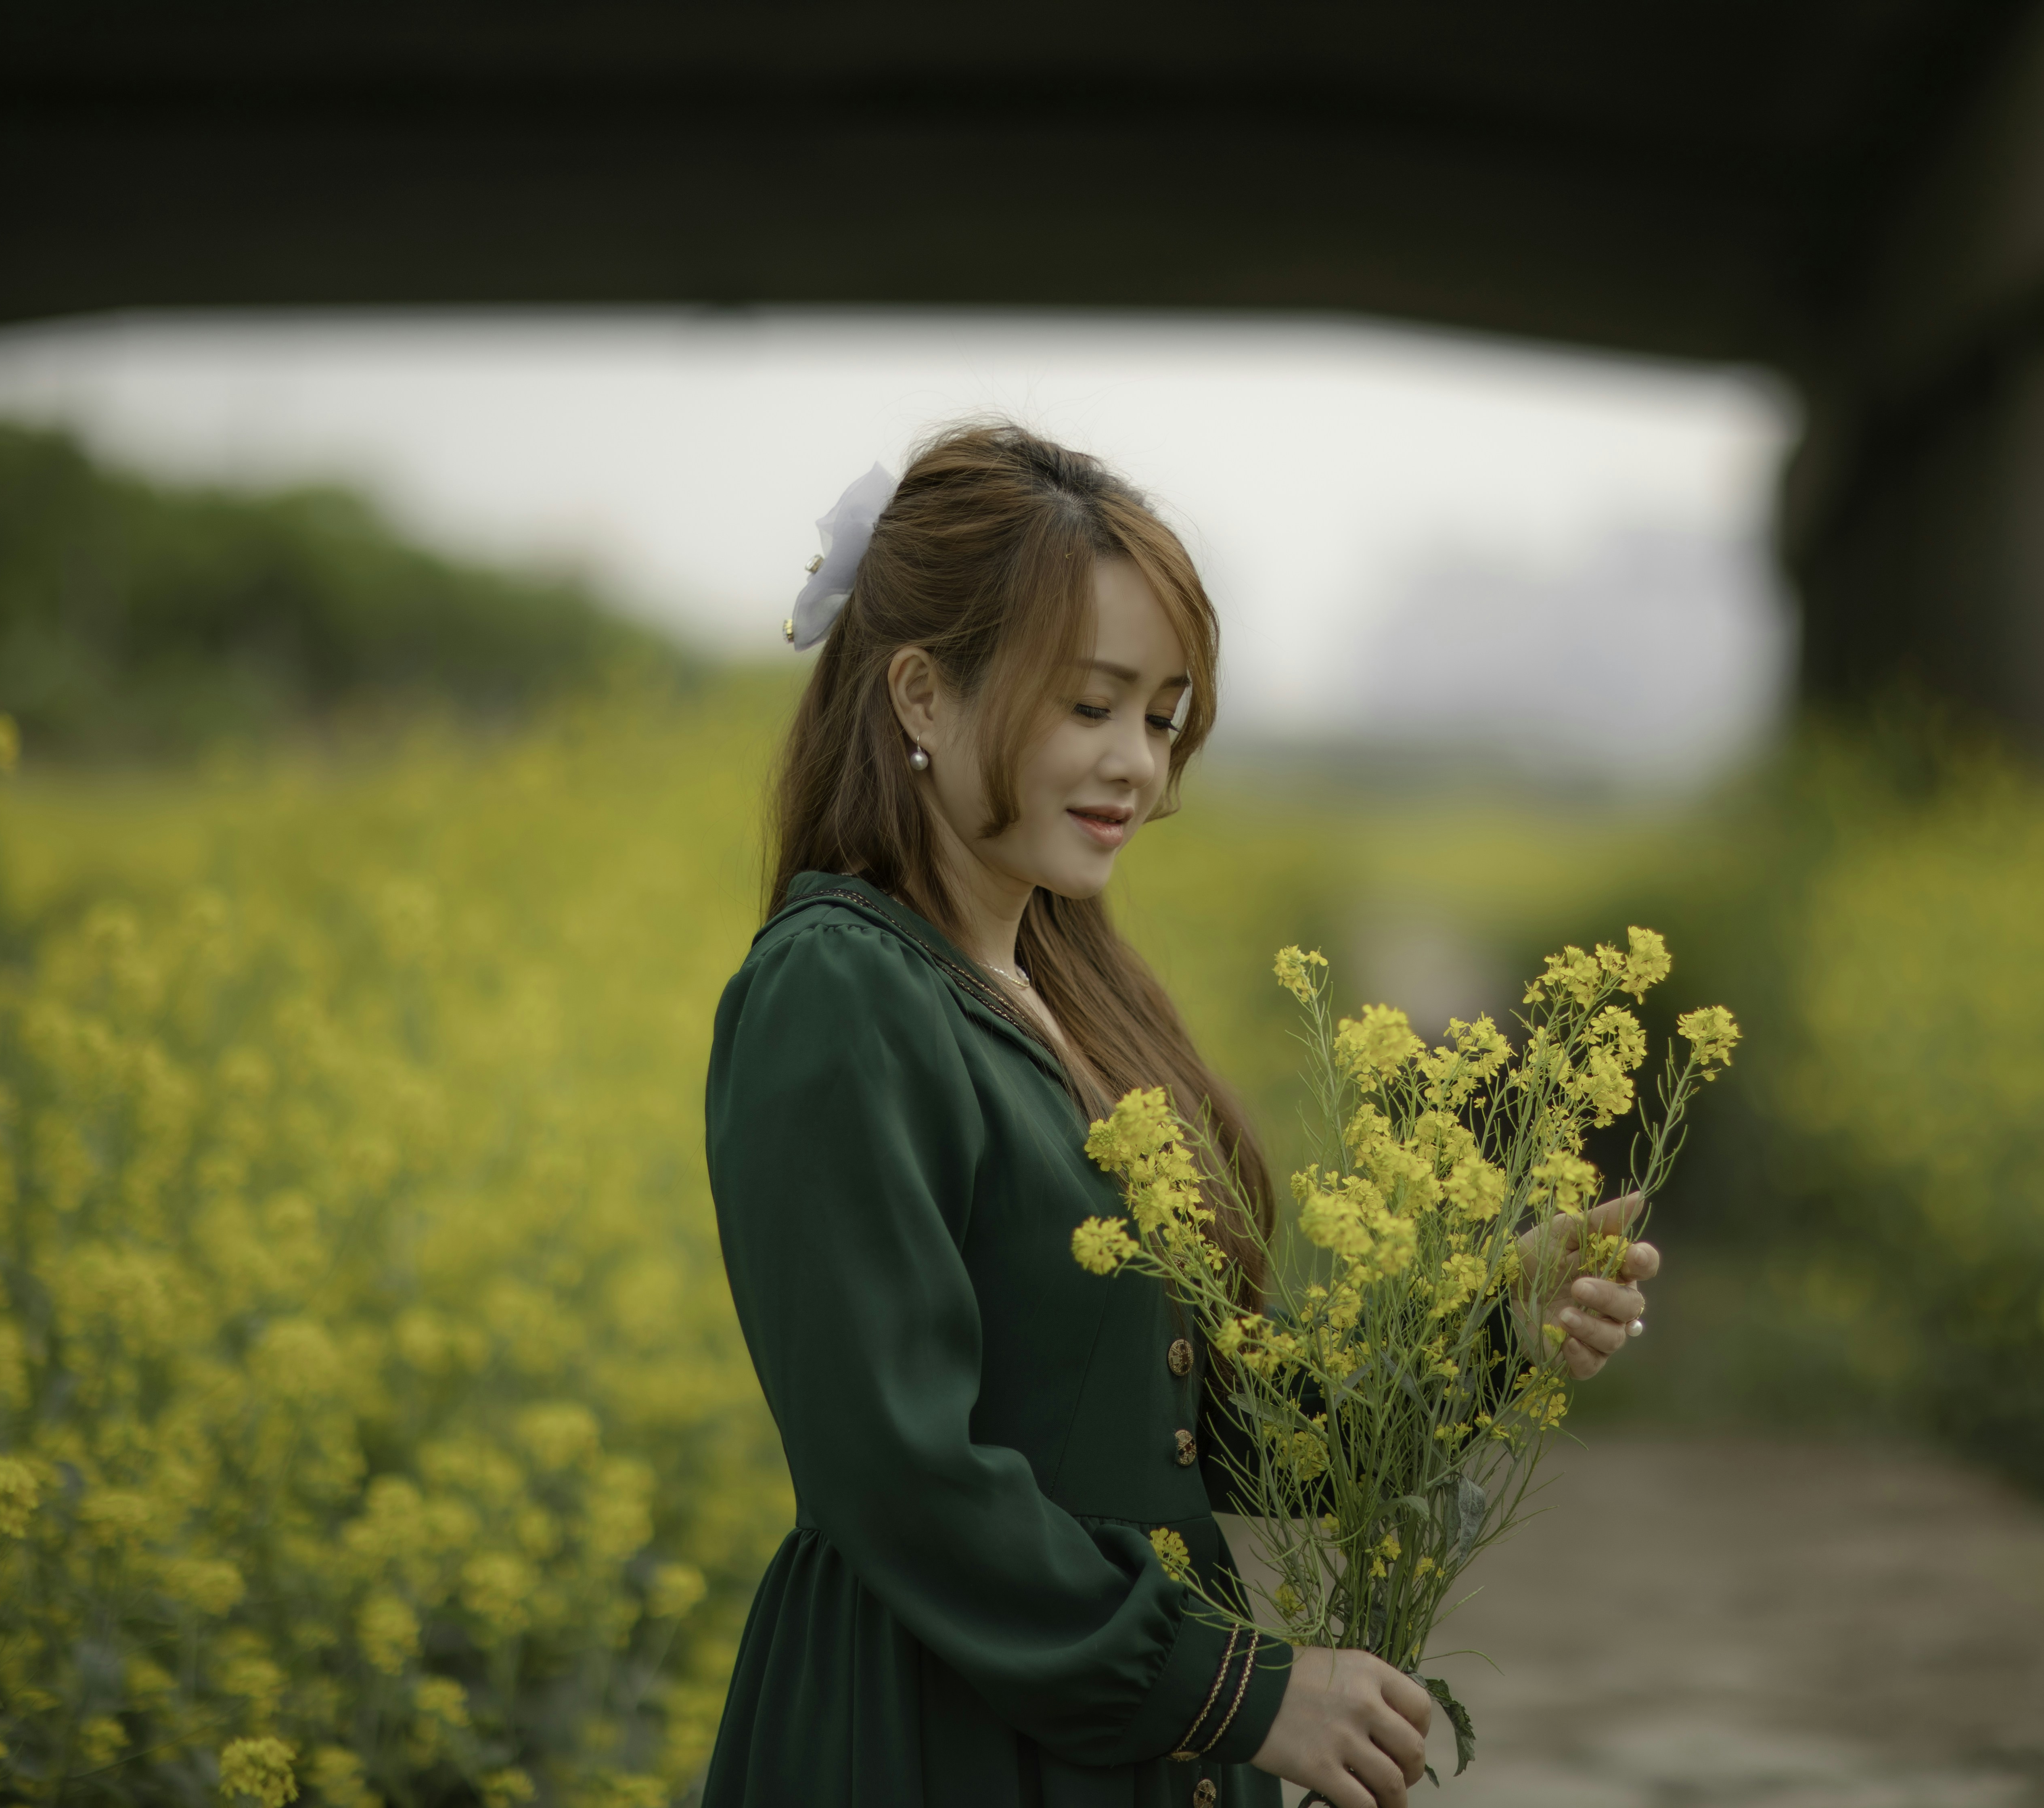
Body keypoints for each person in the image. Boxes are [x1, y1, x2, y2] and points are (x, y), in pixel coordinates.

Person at [701, 422, 1661, 1808]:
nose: (1137, 767)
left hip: (1118, 1735)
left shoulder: (1053, 994)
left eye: (1161, 717)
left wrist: (1491, 1333)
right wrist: (1242, 1691)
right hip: (939, 1737)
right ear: (920, 695)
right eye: (1088, 707)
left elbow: (1188, 1422)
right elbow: (899, 1476)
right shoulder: (839, 993)